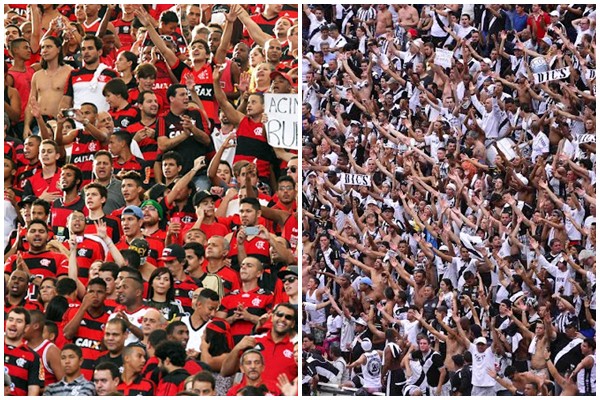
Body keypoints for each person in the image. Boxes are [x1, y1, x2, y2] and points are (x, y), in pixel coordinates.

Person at [4, 308, 43, 395]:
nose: (13, 324)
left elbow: (33, 391)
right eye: (10, 320)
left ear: (26, 327)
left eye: (19, 321)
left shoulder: (34, 357)